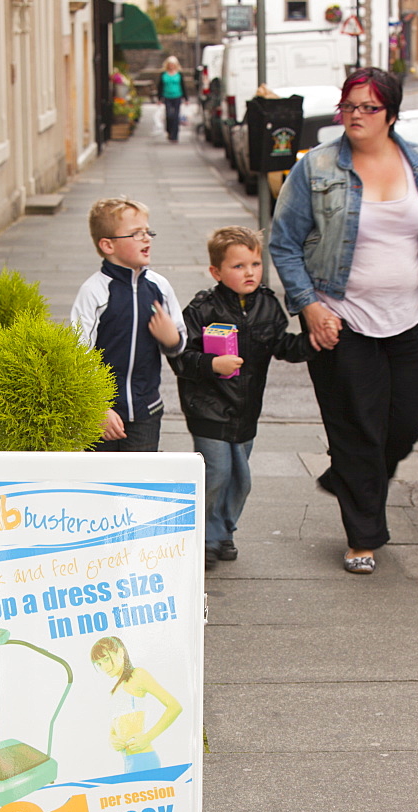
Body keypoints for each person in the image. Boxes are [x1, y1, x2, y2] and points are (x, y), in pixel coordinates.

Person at [269, 67, 418, 574]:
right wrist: (310, 306)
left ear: (391, 114)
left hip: (414, 316)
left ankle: (349, 478)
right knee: (357, 430)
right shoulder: (315, 168)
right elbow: (284, 244)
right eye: (349, 106)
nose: (355, 116)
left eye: (368, 108)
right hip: (342, 320)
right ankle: (364, 537)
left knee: (401, 428)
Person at [169, 226, 314, 571]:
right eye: (238, 266)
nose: (249, 272)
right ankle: (202, 537)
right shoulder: (202, 308)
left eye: (255, 264)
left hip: (246, 409)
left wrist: (314, 343)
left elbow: (283, 345)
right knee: (216, 472)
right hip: (207, 406)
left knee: (240, 478)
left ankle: (223, 532)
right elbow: (180, 356)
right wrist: (211, 363)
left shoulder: (267, 304)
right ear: (216, 272)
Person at [71, 197, 186, 451]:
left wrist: (171, 339)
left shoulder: (159, 287)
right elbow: (78, 354)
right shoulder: (94, 292)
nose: (147, 239)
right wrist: (98, 406)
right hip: (102, 414)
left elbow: (179, 342)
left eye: (148, 232)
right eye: (136, 234)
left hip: (147, 413)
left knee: (139, 484)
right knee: (99, 487)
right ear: (107, 245)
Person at [90, 636, 182, 773]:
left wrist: (147, 737)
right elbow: (114, 728)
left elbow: (175, 706)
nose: (104, 667)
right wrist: (112, 740)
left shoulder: (137, 675)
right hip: (128, 761)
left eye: (106, 659)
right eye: (99, 664)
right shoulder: (115, 690)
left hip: (143, 759)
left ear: (120, 653)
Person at [157, 56, 188, 143]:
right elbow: (160, 87)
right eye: (170, 64)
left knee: (176, 116)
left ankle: (175, 135)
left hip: (177, 96)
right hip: (167, 96)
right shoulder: (163, 74)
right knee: (169, 115)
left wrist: (186, 98)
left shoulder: (179, 74)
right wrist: (159, 98)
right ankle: (169, 130)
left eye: (173, 64)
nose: (171, 66)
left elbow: (183, 86)